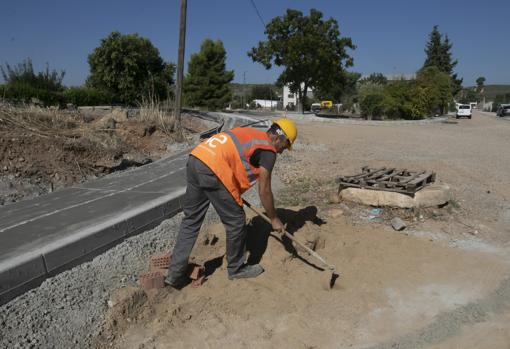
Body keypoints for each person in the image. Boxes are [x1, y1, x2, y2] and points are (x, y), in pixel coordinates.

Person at [166, 118, 297, 287]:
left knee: (191, 220)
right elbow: (264, 190)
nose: (282, 152)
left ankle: (174, 273)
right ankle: (236, 268)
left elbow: (232, 155)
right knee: (235, 221)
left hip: (196, 159)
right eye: (285, 147)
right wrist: (274, 219)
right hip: (214, 169)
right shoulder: (268, 150)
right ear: (279, 138)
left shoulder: (249, 133)